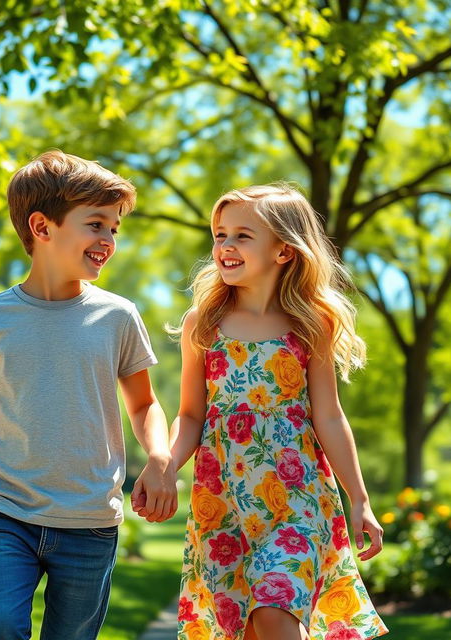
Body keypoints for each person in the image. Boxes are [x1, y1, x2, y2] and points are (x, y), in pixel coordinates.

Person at [0, 149, 177, 640]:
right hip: (8, 513)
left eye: (114, 228)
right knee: (2, 628)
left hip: (90, 521)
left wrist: (158, 457)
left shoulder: (118, 317)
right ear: (42, 228)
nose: (108, 240)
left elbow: (145, 403)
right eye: (95, 224)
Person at [169, 184, 389, 640]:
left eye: (242, 236)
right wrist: (165, 466)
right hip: (222, 505)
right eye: (220, 234)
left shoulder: (311, 324)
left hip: (299, 502)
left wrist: (360, 499)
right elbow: (191, 416)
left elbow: (329, 416)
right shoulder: (203, 323)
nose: (225, 246)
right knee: (251, 628)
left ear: (284, 251)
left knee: (274, 612)